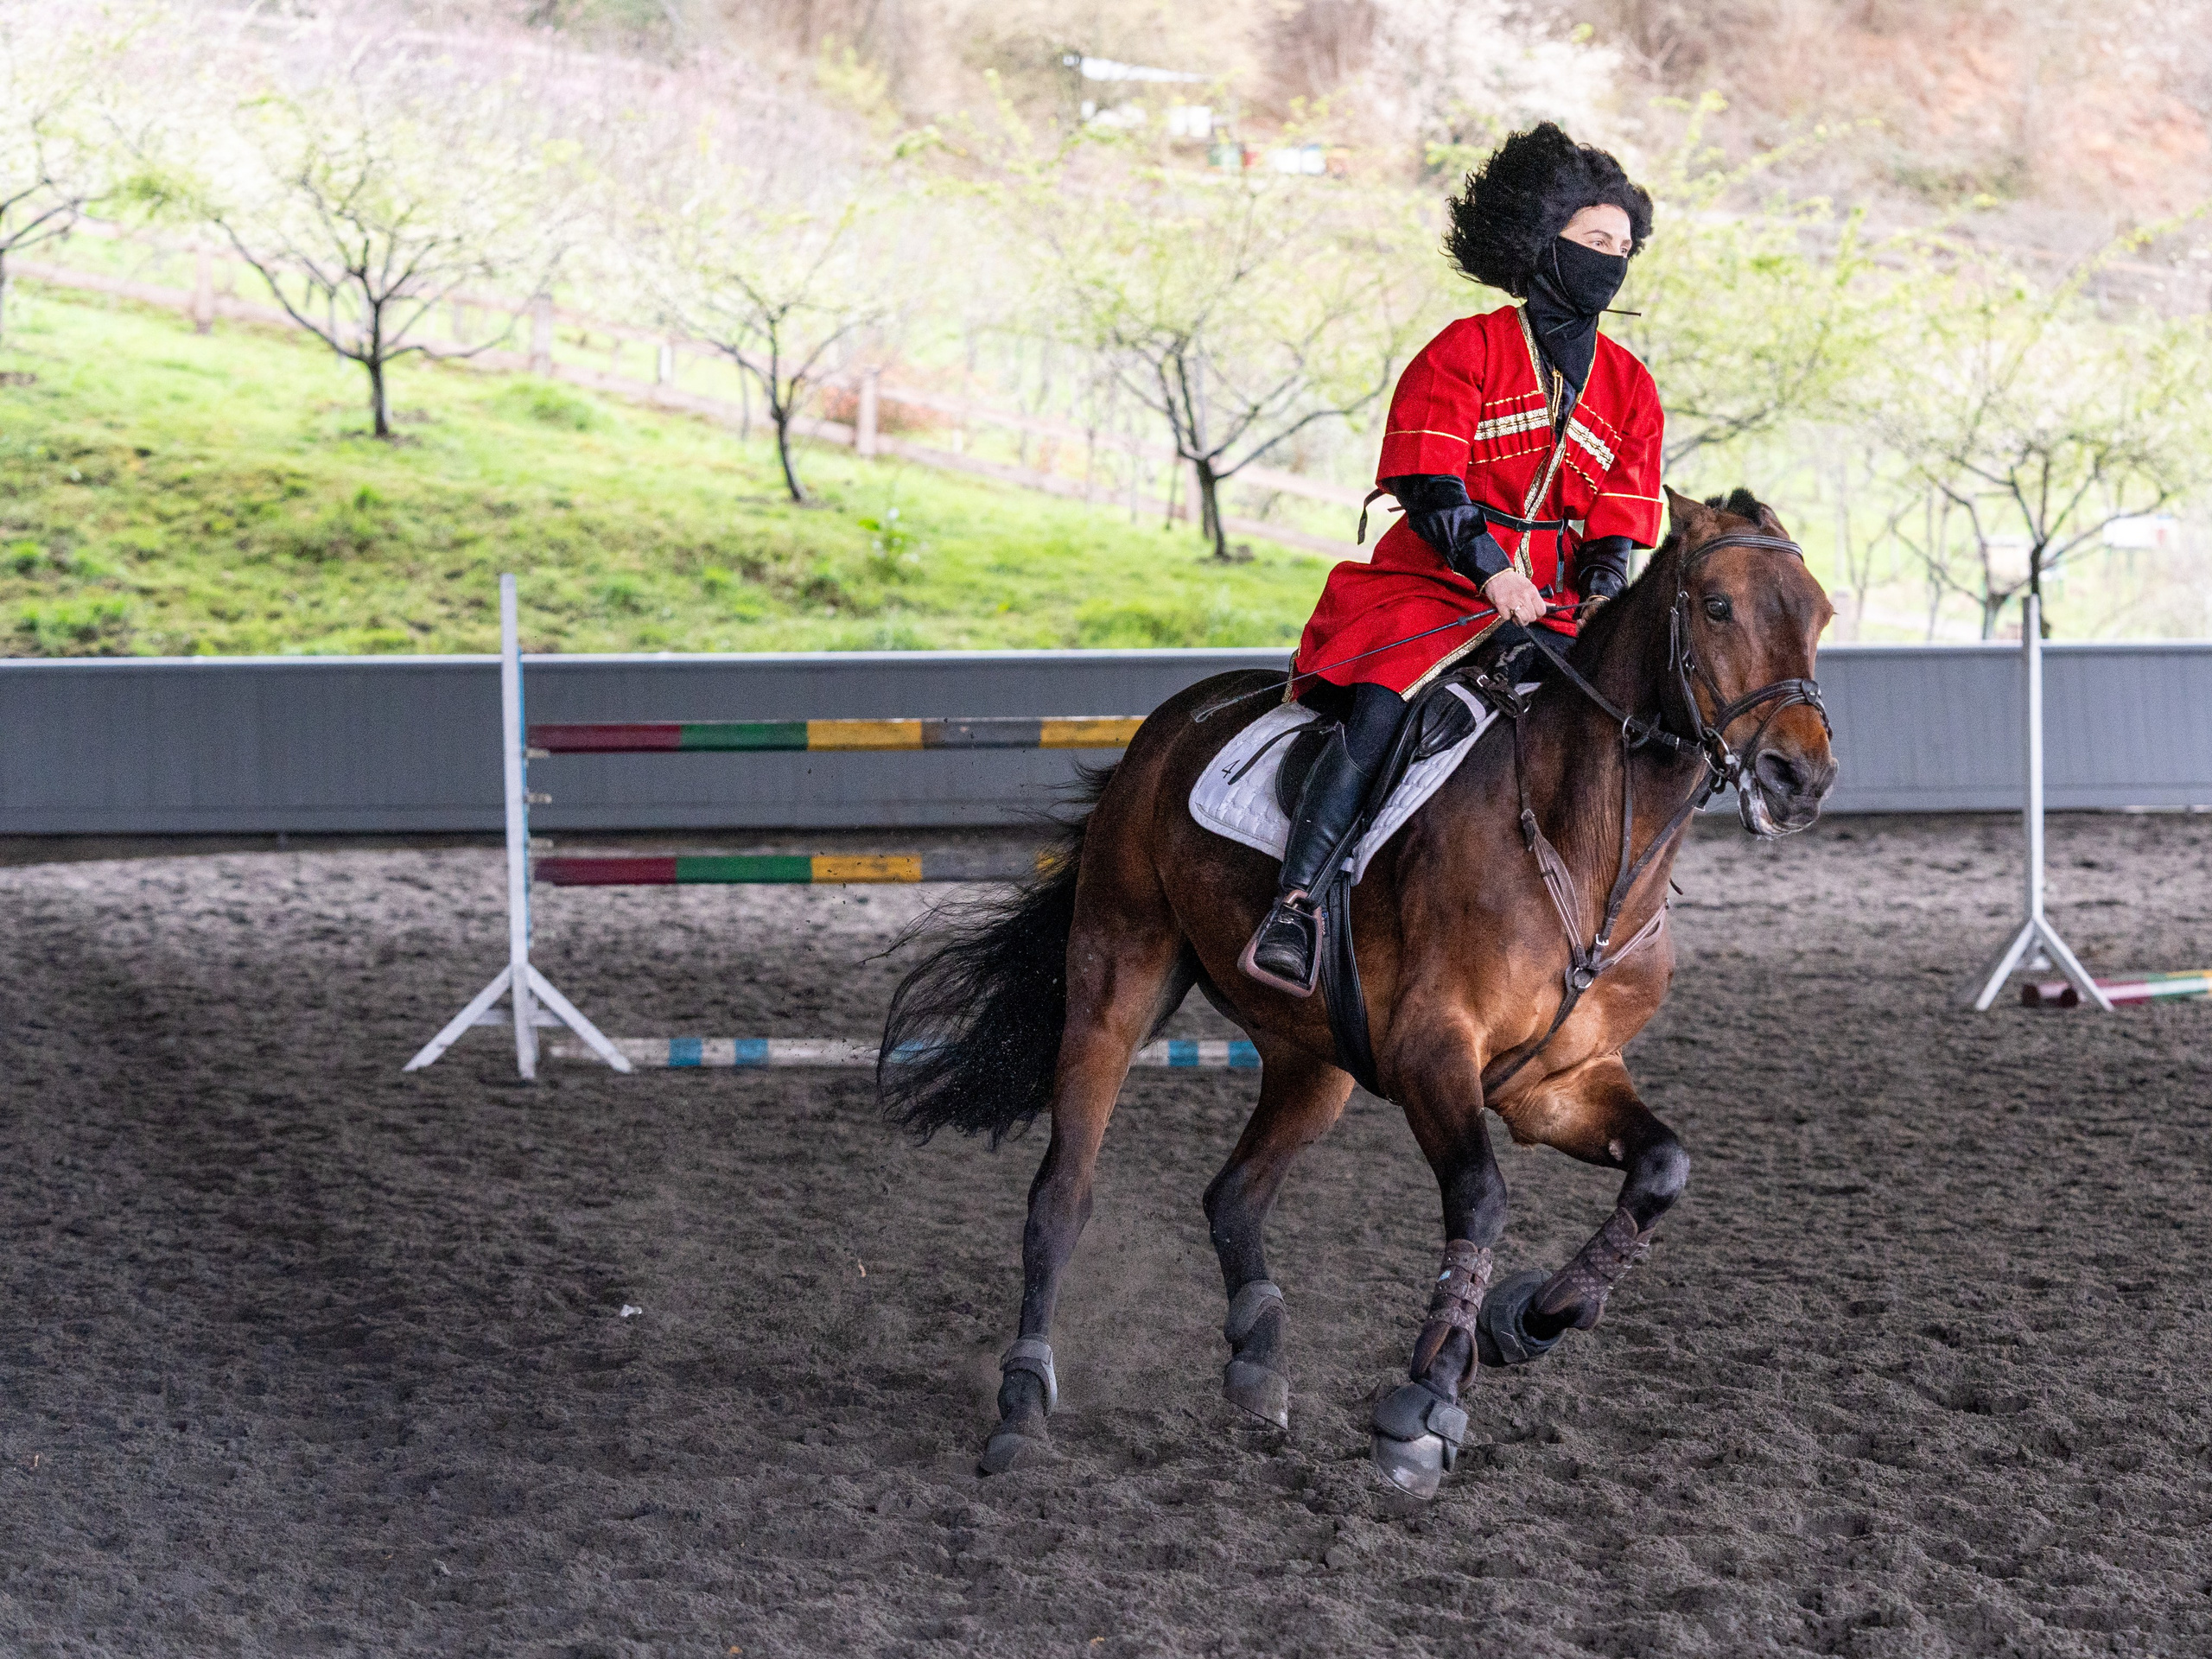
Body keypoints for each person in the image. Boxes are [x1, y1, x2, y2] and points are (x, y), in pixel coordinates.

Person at [1240, 122, 1666, 999]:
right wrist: (1491, 572)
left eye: (1622, 249)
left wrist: (1598, 595)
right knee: (1382, 700)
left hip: (1552, 602)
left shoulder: (1632, 387)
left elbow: (1619, 521)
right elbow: (1431, 484)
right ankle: (1296, 902)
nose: (1610, 262)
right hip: (1433, 583)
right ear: (1542, 245)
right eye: (1595, 242)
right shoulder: (1464, 349)